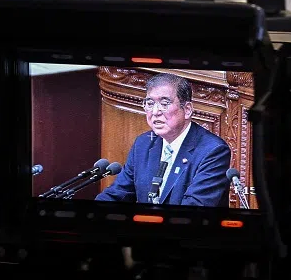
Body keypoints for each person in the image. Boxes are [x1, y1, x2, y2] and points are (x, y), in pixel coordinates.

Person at [96, 73, 232, 206]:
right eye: (149, 103)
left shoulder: (212, 150)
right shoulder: (143, 144)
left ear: (188, 110)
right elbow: (118, 194)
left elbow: (195, 206)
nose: (155, 112)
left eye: (164, 103)